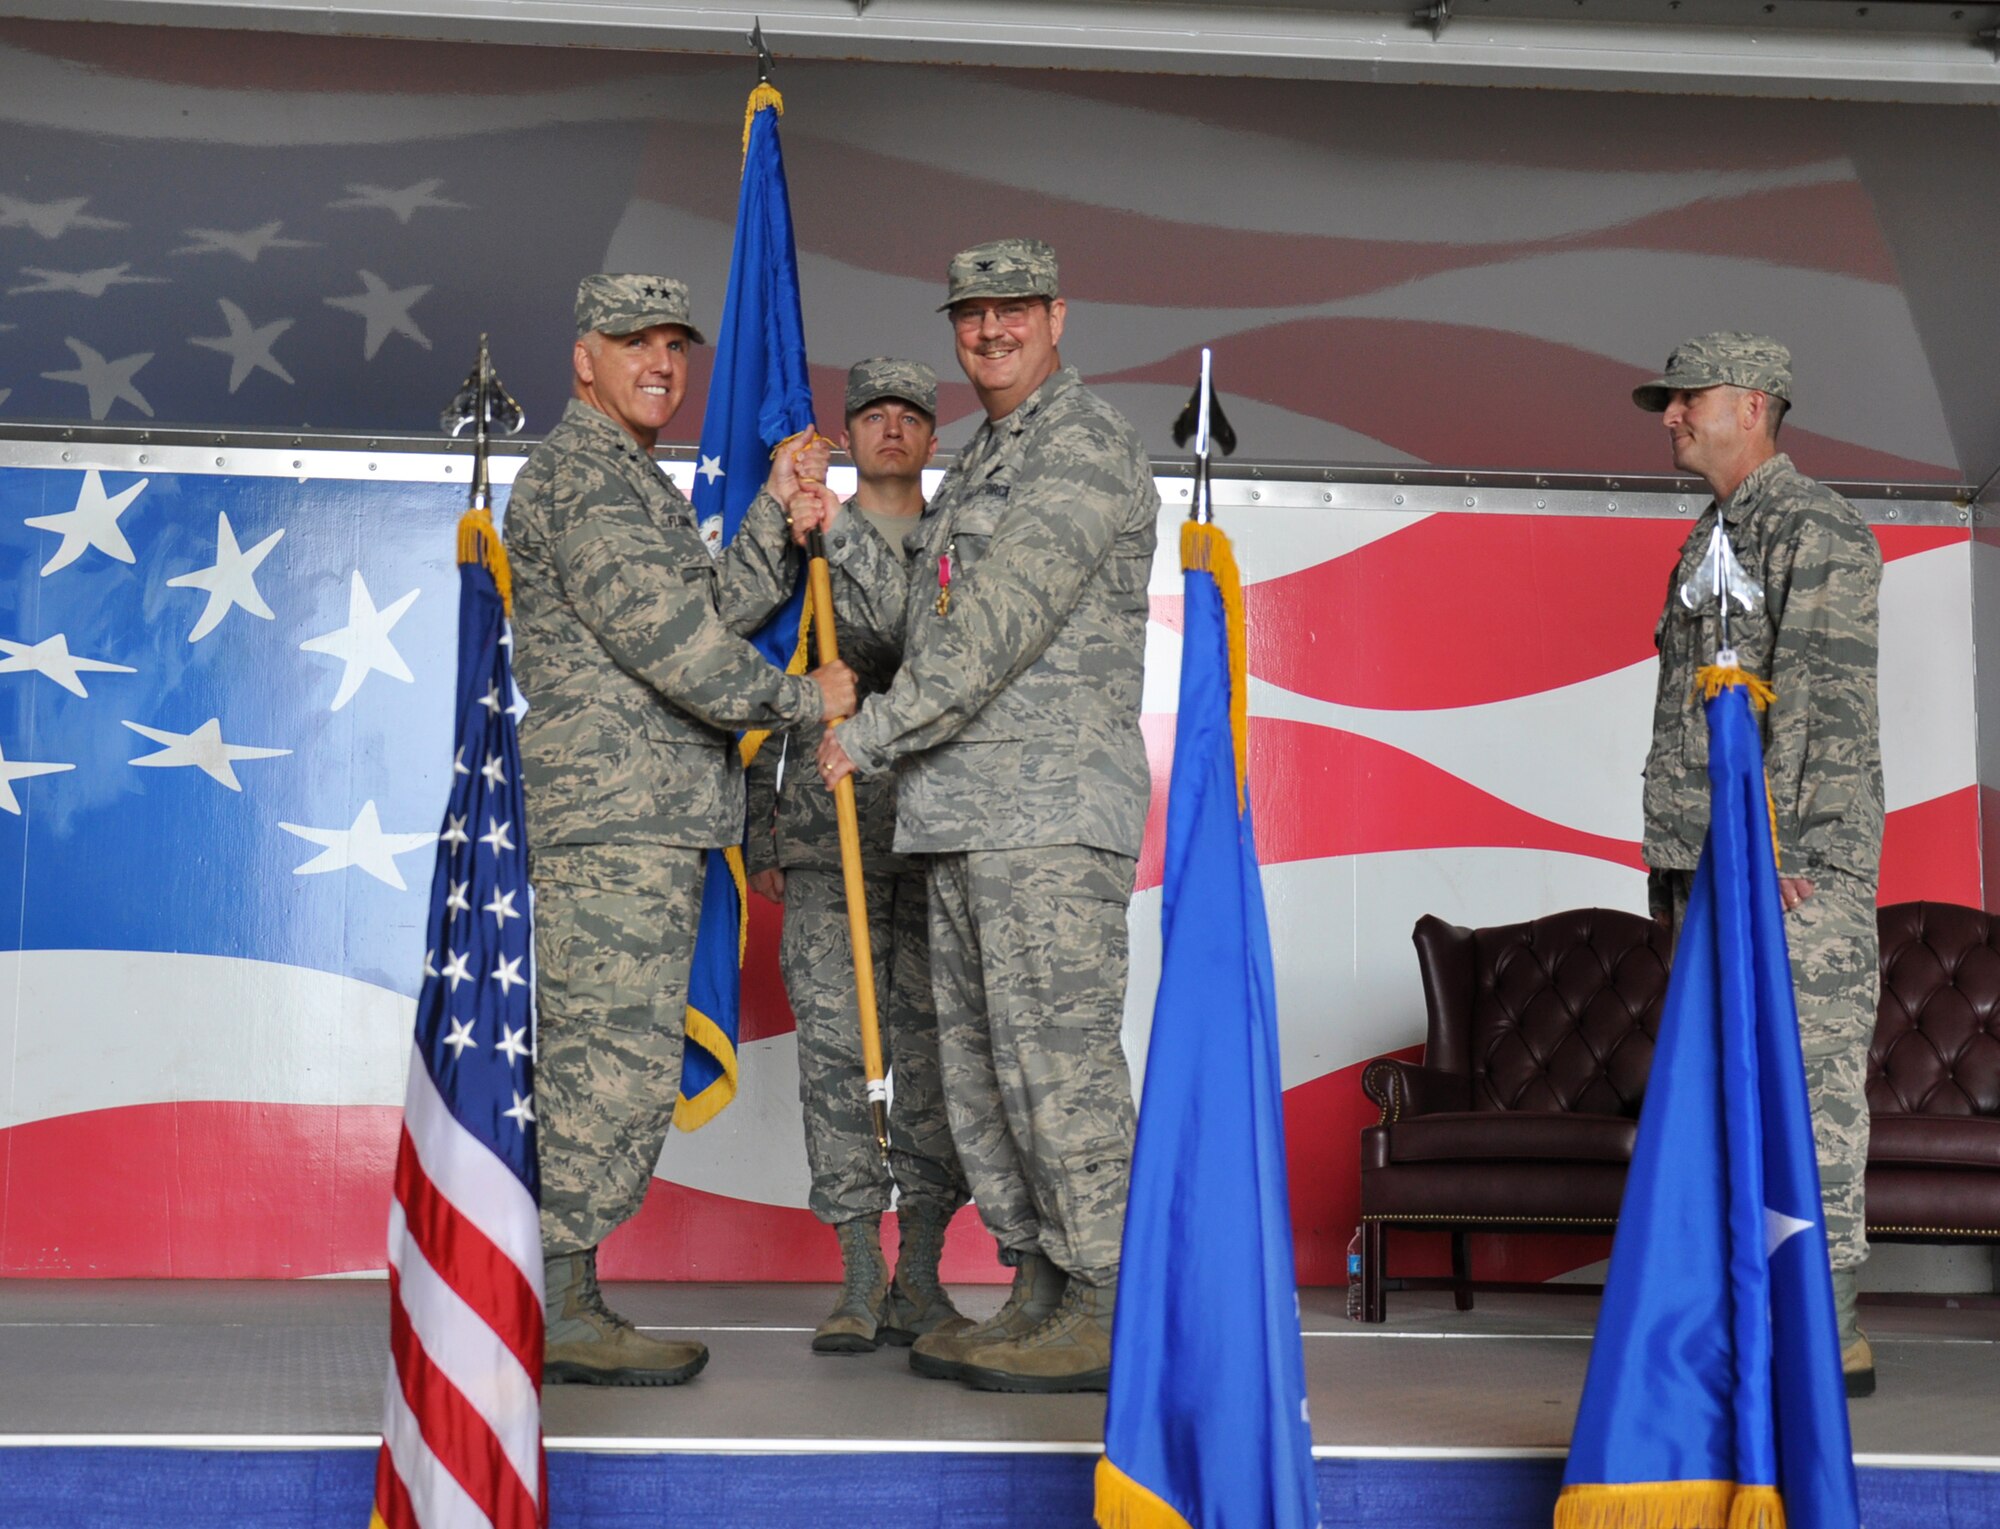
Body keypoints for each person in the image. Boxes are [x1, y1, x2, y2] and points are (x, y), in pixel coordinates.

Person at [801, 239, 1158, 1393]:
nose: (989, 330)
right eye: (970, 314)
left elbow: (992, 625)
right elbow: (915, 616)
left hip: (1044, 816)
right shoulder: (986, 460)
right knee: (985, 1074)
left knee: (1057, 1065)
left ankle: (1104, 1294)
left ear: (1057, 314)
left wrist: (869, 733)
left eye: (1011, 310)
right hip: (961, 816)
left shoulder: (1080, 444)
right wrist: (824, 526)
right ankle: (1038, 1287)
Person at [505, 272, 856, 1387]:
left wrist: (774, 508)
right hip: (612, 830)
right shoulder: (581, 481)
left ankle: (565, 1295)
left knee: (616, 1060)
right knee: (597, 1068)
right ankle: (552, 1305)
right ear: (583, 357)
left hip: (645, 824)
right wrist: (814, 699)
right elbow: (688, 655)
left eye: (673, 343)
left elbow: (709, 605)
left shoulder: (629, 479)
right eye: (631, 341)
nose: (659, 361)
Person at [1636, 331, 1884, 1397]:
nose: (1669, 417)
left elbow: (1823, 699)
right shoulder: (1712, 534)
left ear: (1749, 401)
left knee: (1805, 1087)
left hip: (1783, 867)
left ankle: (1825, 1326)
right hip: (1708, 861)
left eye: (1685, 398)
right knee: (1717, 1089)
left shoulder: (1811, 524)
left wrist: (1781, 846)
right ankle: (1740, 1307)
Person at [744, 358, 971, 1356]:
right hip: (822, 830)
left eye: (908, 414)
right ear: (848, 430)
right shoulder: (803, 546)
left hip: (930, 833)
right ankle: (854, 1274)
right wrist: (760, 825)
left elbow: (940, 663)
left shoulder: (961, 540)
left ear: (931, 434)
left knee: (929, 1055)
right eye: (870, 413)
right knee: (837, 1054)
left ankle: (919, 1273)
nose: (888, 427)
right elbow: (764, 686)